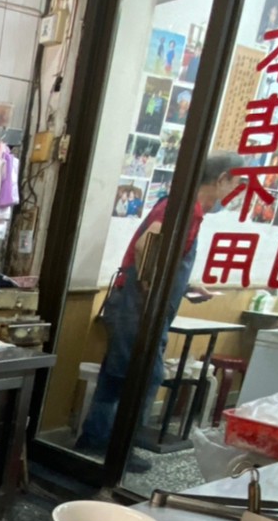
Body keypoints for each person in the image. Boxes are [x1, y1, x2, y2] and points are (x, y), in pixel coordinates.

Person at [75, 152, 235, 470]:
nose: (237, 192)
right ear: (221, 179)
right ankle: (118, 448)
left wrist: (188, 285)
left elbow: (164, 261)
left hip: (135, 305)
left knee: (116, 376)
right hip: (138, 308)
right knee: (146, 378)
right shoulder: (184, 208)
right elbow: (146, 245)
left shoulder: (188, 208)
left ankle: (95, 440)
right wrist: (152, 292)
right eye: (237, 183)